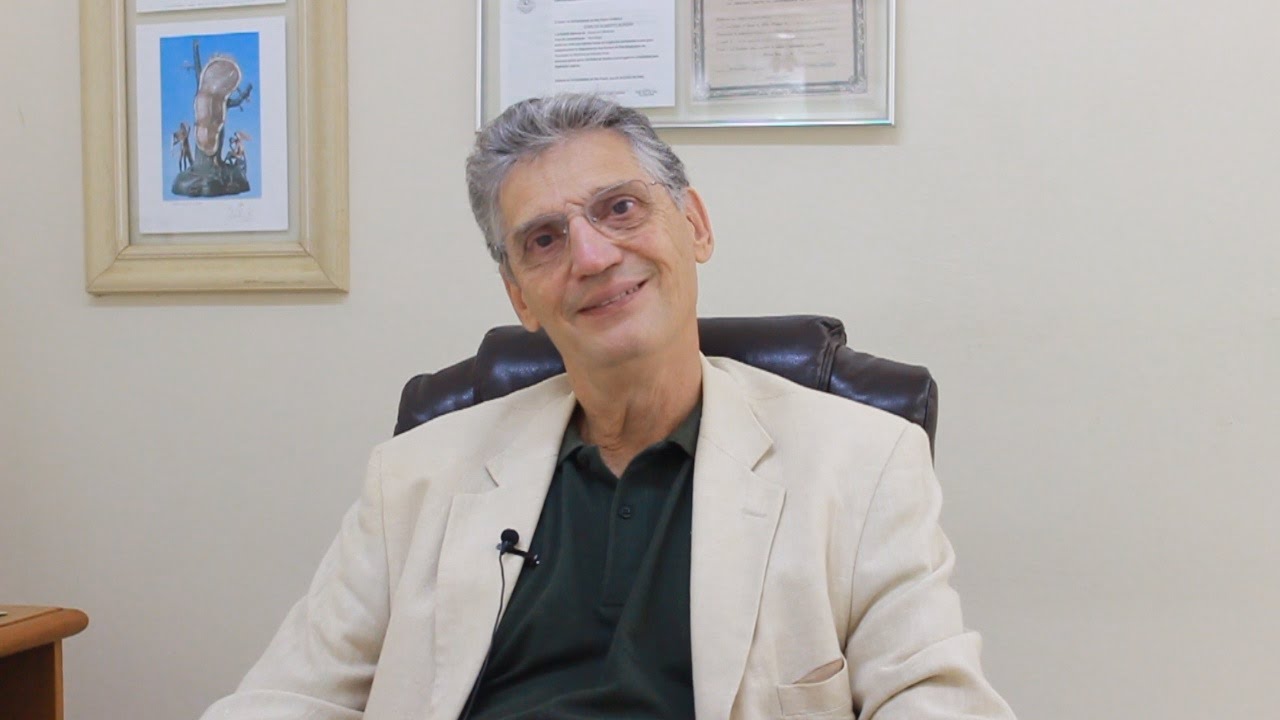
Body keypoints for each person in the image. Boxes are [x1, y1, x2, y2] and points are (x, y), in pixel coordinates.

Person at [201, 93, 1014, 720]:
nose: (591, 255)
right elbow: (284, 699)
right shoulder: (414, 477)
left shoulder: (863, 461)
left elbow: (936, 700)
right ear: (520, 296)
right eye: (544, 240)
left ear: (694, 226)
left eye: (620, 207)